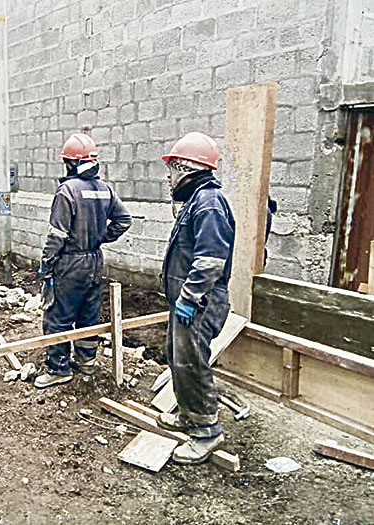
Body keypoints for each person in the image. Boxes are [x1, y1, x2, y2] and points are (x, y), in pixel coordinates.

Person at [157, 131, 235, 464]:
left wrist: (188, 298)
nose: (169, 177)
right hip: (188, 301)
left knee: (192, 363)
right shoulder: (197, 201)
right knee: (178, 358)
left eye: (172, 168)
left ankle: (207, 432)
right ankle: (190, 415)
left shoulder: (209, 204)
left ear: (187, 168)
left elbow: (209, 260)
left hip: (201, 302)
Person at [34, 133, 132, 389]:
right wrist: (100, 238)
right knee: (89, 312)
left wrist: (46, 264)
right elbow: (124, 220)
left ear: (70, 162)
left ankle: (58, 369)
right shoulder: (104, 189)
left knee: (58, 316)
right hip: (95, 260)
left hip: (70, 262)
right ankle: (86, 360)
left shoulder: (67, 191)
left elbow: (57, 234)